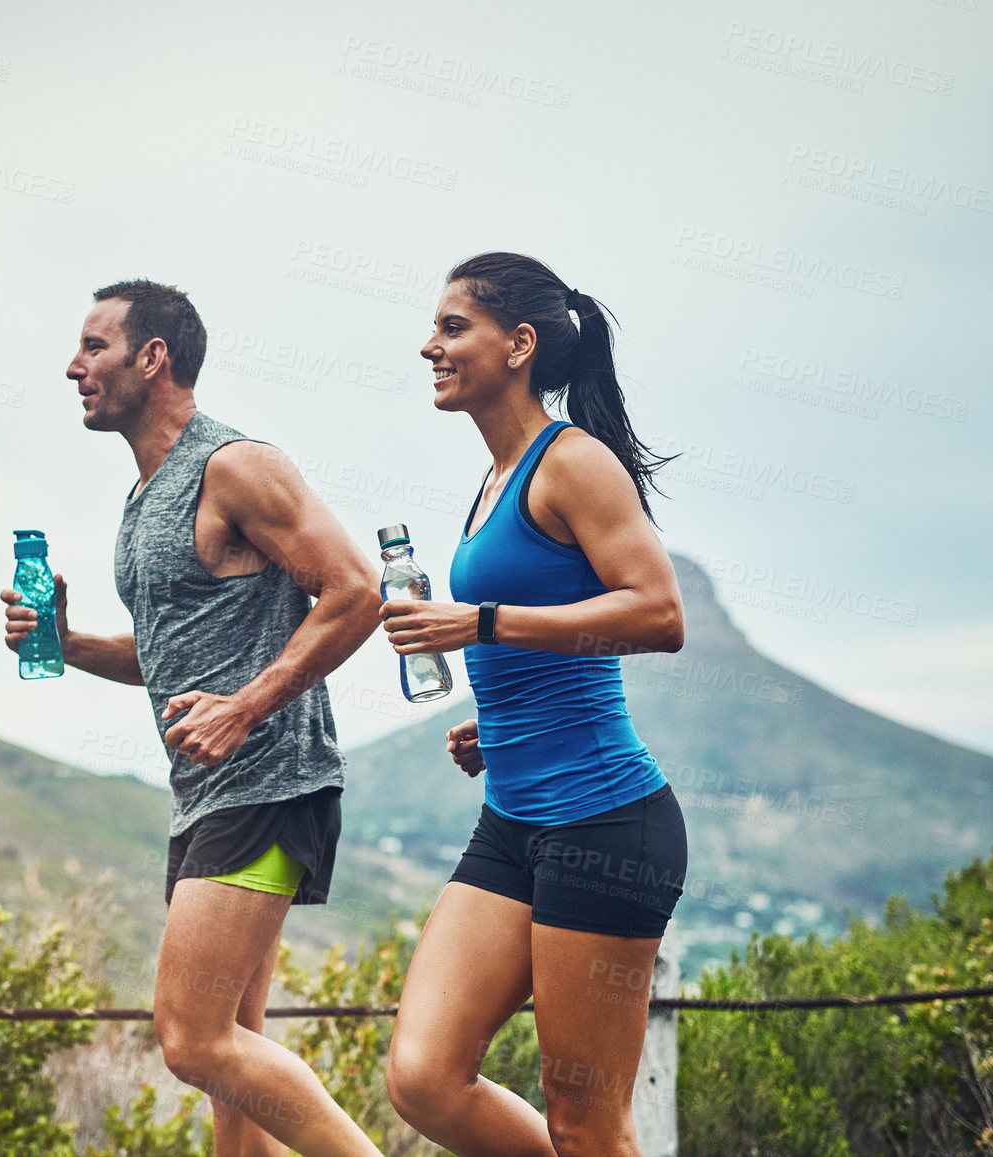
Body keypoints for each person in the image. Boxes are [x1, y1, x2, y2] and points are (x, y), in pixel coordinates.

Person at [1, 279, 384, 1156]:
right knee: (232, 1068)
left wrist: (247, 708)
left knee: (191, 1036)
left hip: (266, 780)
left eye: (93, 347)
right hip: (208, 793)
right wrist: (67, 641)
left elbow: (355, 592)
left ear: (153, 357)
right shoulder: (145, 498)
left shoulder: (236, 465)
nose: (74, 367)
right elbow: (168, 655)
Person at [377, 252, 687, 1157]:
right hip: (513, 816)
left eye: (451, 327)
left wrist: (478, 619)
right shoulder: (494, 479)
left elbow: (658, 613)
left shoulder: (572, 461)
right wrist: (504, 722)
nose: (428, 345)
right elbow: (555, 629)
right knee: (425, 1077)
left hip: (604, 824)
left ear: (518, 344)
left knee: (587, 1121)